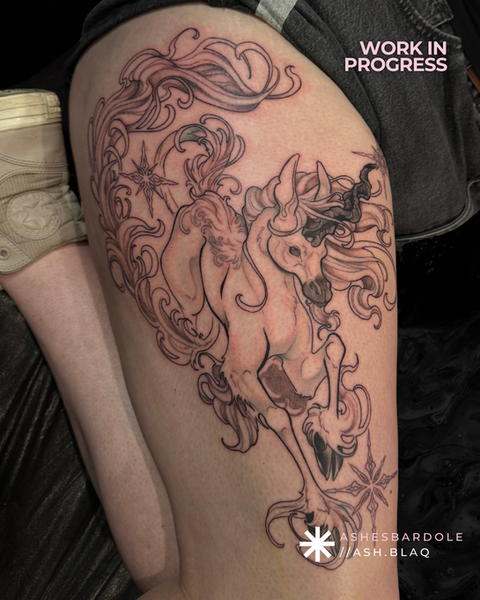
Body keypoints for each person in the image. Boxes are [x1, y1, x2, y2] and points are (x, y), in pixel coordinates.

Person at [2, 1, 479, 599]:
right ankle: (34, 233)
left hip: (317, 80)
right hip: (244, 55)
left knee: (185, 566)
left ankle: (29, 226)